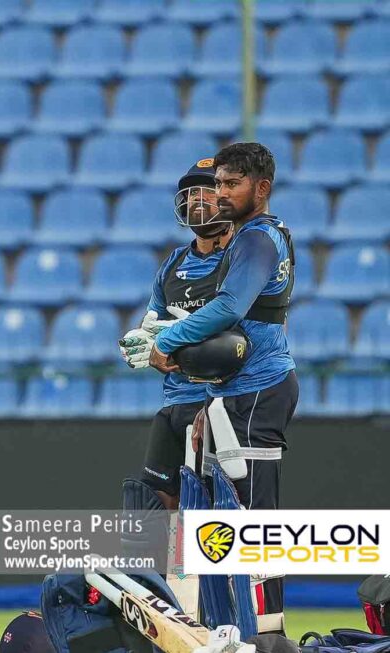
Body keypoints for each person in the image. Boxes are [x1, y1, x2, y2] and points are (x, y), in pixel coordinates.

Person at [123, 142, 298, 634]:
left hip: (256, 386)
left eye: (229, 185)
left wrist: (171, 345)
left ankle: (264, 634)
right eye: (215, 185)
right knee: (210, 511)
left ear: (260, 189)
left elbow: (228, 310)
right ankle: (204, 620)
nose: (218, 196)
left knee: (248, 516)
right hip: (227, 393)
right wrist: (156, 348)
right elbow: (155, 325)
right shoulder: (236, 242)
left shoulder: (257, 240)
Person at [126, 158, 234, 511]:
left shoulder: (240, 258)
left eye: (207, 190)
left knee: (216, 500)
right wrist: (148, 344)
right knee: (155, 499)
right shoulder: (173, 264)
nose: (197, 201)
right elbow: (152, 324)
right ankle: (165, 568)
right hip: (174, 401)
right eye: (190, 194)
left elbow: (249, 333)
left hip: (221, 400)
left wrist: (189, 334)